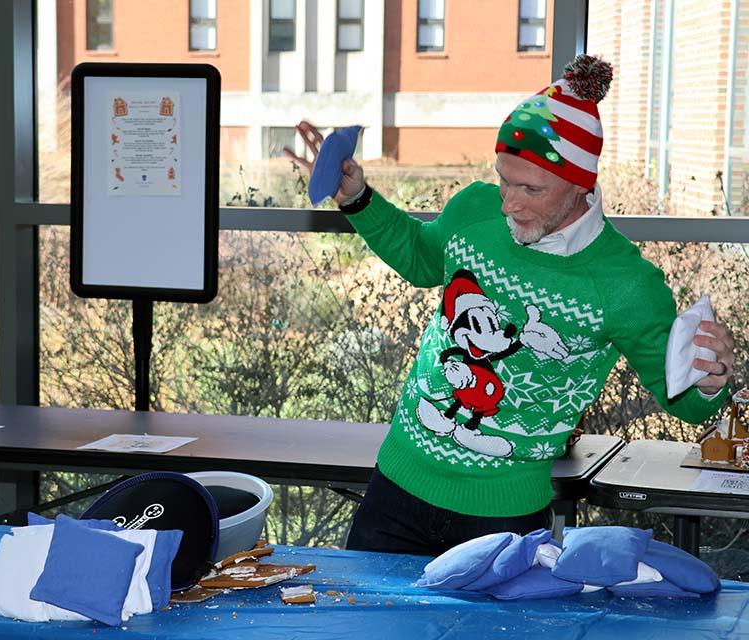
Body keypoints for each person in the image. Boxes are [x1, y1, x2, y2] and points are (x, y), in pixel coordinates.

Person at [284, 54, 737, 557]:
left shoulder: (627, 284)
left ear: (581, 186)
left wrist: (711, 377)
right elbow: (420, 258)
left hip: (504, 518)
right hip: (396, 487)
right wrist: (357, 198)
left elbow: (687, 402)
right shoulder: (474, 209)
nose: (507, 202)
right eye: (504, 178)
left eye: (530, 188)